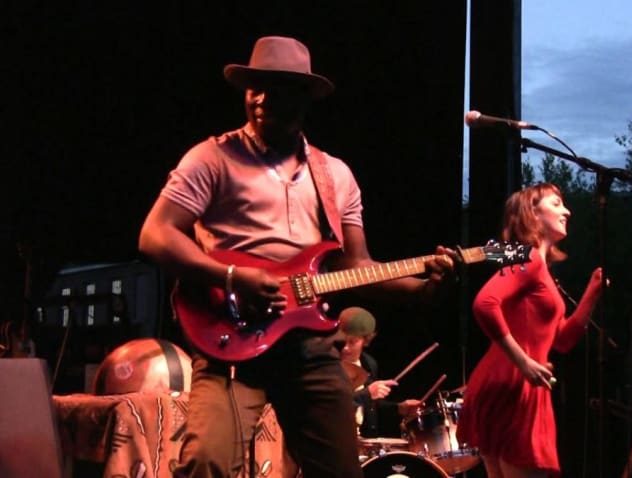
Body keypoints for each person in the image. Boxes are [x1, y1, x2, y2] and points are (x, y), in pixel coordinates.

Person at [138, 36, 455, 478]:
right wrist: (233, 277)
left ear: (304, 97)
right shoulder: (212, 158)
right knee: (205, 461)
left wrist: (425, 288)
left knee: (343, 470)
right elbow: (155, 235)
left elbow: (356, 267)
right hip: (231, 342)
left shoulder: (335, 174)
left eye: (278, 88)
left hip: (309, 350)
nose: (262, 98)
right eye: (255, 87)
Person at [456, 183, 605, 478]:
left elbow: (561, 342)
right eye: (556, 203)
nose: (567, 210)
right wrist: (523, 362)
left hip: (512, 380)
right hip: (515, 382)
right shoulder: (530, 257)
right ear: (532, 215)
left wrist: (592, 294)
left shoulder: (536, 265)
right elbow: (485, 304)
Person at [337, 306, 422, 438]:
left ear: (365, 341)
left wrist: (398, 408)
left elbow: (371, 406)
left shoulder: (369, 364)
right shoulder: (328, 365)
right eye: (342, 341)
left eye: (352, 342)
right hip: (338, 439)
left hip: (363, 440)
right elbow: (332, 405)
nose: (345, 348)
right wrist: (368, 393)